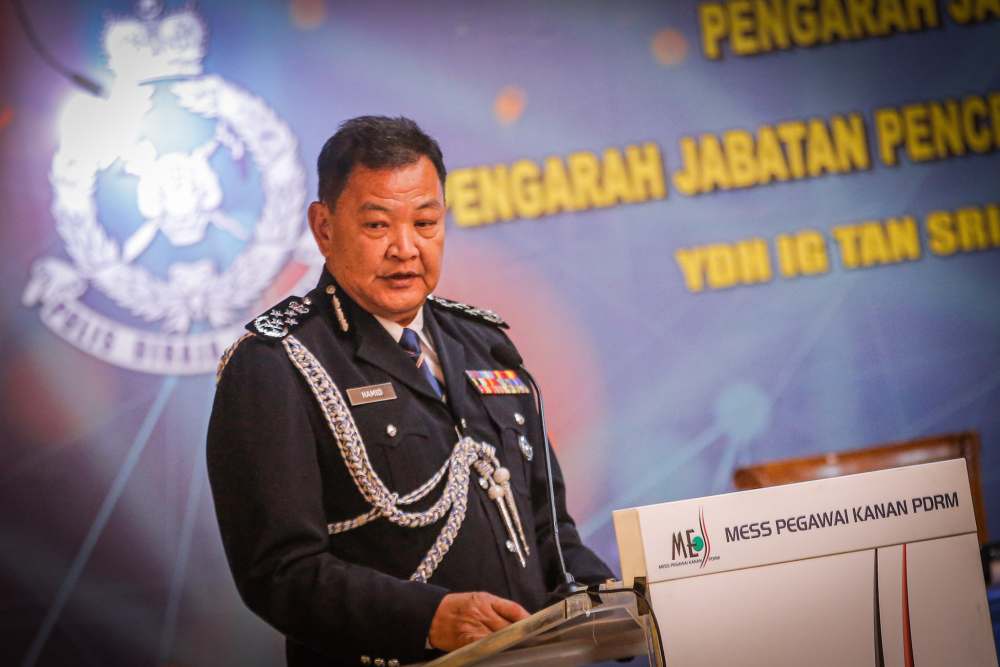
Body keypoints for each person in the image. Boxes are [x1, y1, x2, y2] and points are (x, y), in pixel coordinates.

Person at [207, 116, 612, 667]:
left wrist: (605, 601)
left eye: (426, 222)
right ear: (323, 227)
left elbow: (548, 528)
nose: (405, 248)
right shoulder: (275, 364)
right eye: (378, 226)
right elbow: (280, 572)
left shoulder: (487, 345)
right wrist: (429, 619)